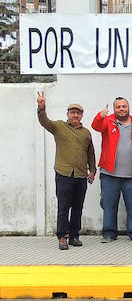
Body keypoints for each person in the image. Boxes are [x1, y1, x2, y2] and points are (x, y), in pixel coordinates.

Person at [36, 92, 96, 250]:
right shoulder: (59, 126)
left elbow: (90, 153)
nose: (75, 115)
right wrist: (41, 107)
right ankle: (62, 237)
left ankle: (74, 236)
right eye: (72, 112)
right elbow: (44, 121)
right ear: (68, 114)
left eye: (78, 113)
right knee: (63, 207)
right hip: (64, 174)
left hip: (81, 175)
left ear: (82, 115)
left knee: (78, 207)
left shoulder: (86, 133)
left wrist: (93, 170)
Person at [91, 97, 132, 242]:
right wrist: (99, 116)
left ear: (129, 108)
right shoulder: (107, 121)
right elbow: (96, 126)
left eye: (124, 106)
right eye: (118, 107)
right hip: (109, 174)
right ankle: (108, 234)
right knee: (109, 206)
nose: (121, 109)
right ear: (114, 109)